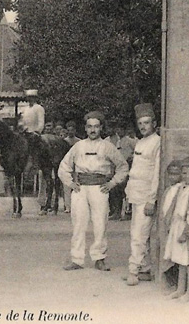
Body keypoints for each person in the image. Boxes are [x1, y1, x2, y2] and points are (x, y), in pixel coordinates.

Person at [58, 111, 129, 272]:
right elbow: (64, 167)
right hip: (80, 189)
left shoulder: (107, 146)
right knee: (78, 224)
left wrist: (112, 183)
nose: (93, 130)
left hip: (99, 188)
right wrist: (70, 183)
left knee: (100, 224)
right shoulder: (78, 146)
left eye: (96, 126)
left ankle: (99, 258)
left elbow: (123, 166)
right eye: (89, 126)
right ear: (85, 128)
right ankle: (77, 259)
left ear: (101, 128)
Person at [124, 103, 161, 286]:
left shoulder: (157, 143)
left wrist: (151, 200)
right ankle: (145, 269)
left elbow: (156, 174)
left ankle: (133, 271)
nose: (143, 126)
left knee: (139, 235)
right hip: (135, 194)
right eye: (140, 123)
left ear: (154, 123)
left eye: (146, 123)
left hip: (146, 196)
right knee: (137, 233)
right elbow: (136, 171)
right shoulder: (140, 142)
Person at [163, 156, 189, 301]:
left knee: (187, 259)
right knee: (179, 259)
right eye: (184, 173)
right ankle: (180, 289)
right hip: (177, 224)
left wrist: (187, 230)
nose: (187, 176)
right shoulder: (181, 187)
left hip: (187, 226)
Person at [159, 160, 183, 291]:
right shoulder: (168, 190)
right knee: (166, 253)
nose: (173, 177)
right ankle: (170, 282)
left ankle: (177, 283)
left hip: (174, 226)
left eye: (176, 174)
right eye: (170, 174)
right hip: (166, 226)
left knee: (175, 255)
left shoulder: (181, 190)